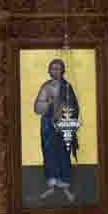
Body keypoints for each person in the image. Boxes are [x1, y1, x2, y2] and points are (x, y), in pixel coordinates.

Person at [33, 58, 80, 202]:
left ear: (62, 71)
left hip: (63, 125)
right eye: (53, 68)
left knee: (64, 153)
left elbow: (75, 106)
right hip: (48, 125)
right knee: (49, 153)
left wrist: (66, 114)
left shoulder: (67, 87)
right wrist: (48, 103)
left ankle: (65, 186)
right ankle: (51, 185)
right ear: (49, 71)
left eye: (58, 68)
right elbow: (37, 108)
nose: (55, 71)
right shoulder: (46, 87)